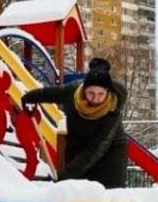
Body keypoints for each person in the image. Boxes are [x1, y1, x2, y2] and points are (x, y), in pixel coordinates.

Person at [21, 58, 129, 188]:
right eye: (91, 93)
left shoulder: (112, 112)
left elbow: (94, 151)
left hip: (110, 153)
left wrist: (67, 175)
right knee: (75, 188)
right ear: (84, 90)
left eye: (101, 94)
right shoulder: (74, 92)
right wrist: (30, 97)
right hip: (77, 140)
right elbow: (52, 93)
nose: (95, 99)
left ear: (108, 93)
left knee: (107, 193)